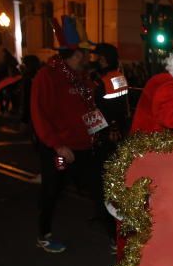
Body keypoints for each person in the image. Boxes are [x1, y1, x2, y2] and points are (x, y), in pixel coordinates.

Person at [30, 15, 114, 253]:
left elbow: (89, 110)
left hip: (84, 148)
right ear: (76, 54)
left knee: (100, 190)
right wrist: (57, 146)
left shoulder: (81, 78)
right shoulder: (47, 76)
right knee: (52, 190)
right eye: (85, 54)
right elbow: (39, 114)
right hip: (59, 150)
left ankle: (113, 238)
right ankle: (43, 235)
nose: (89, 59)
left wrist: (101, 134)